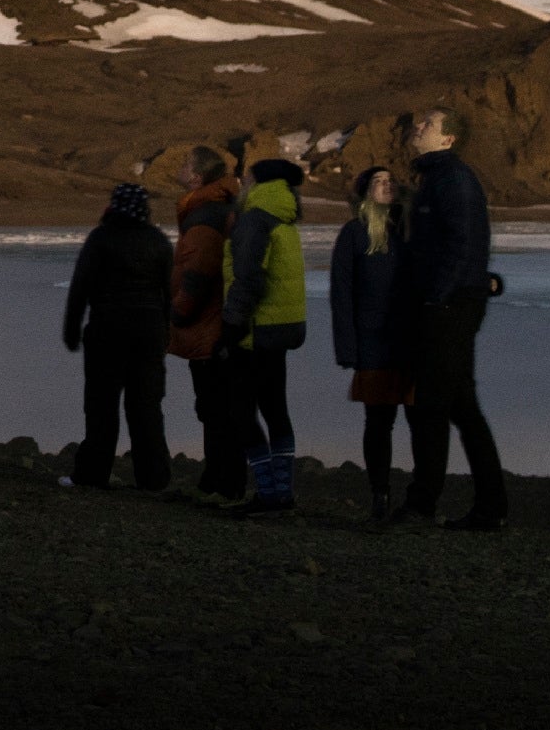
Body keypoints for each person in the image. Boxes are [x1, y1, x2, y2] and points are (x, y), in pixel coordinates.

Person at [399, 110, 509, 532]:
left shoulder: (453, 181)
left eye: (428, 124)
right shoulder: (438, 180)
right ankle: (490, 507)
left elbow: (460, 246)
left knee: (431, 407)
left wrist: (437, 301)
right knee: (462, 407)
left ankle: (422, 505)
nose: (417, 127)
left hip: (450, 308)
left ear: (447, 139)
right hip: (454, 303)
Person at [60, 180, 173, 491]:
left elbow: (80, 287)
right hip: (148, 333)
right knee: (146, 407)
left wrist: (71, 330)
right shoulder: (158, 241)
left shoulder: (101, 239)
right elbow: (168, 293)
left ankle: (92, 474)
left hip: (107, 331)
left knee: (101, 407)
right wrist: (166, 333)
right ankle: (154, 479)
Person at [220, 156, 310, 516]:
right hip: (282, 327)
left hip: (256, 329)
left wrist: (232, 325)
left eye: (247, 177)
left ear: (258, 182)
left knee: (241, 409)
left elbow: (249, 277)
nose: (242, 183)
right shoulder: (284, 218)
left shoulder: (256, 218)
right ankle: (281, 492)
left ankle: (270, 494)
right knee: (275, 407)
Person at [330, 164, 415, 525]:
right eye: (378, 182)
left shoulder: (410, 230)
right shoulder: (354, 234)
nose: (386, 186)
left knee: (420, 420)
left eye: (390, 181)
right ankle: (380, 496)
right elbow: (341, 295)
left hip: (410, 341)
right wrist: (348, 349)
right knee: (379, 422)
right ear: (365, 192)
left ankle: (419, 500)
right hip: (373, 342)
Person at [164, 146, 244, 504]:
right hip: (219, 322)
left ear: (197, 177)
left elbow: (197, 272)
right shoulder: (218, 209)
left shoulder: (205, 216)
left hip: (208, 326)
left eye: (185, 163)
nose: (180, 168)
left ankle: (223, 484)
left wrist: (177, 313)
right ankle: (217, 480)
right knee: (218, 405)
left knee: (214, 406)